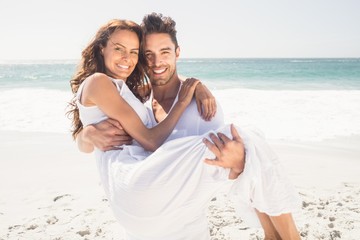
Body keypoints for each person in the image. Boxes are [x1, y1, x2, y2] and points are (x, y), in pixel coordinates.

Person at [72, 14, 301, 240]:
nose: (155, 62)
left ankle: (273, 234)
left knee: (246, 145)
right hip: (136, 192)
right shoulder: (115, 88)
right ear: (102, 48)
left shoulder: (185, 105)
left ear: (177, 53)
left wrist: (195, 86)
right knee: (244, 141)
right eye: (146, 54)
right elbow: (145, 140)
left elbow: (216, 172)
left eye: (134, 51)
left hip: (168, 217)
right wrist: (88, 134)